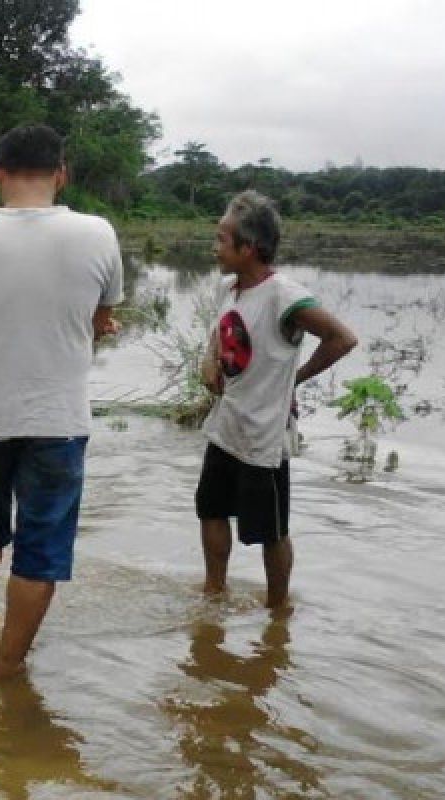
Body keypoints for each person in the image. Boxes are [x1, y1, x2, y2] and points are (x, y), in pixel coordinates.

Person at [0, 124, 123, 679]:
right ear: (61, 174)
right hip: (58, 421)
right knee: (40, 550)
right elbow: (100, 316)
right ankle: (7, 669)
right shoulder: (98, 234)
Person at [196, 190, 357, 608]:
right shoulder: (227, 289)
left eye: (221, 240)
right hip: (226, 424)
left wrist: (295, 381)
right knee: (210, 511)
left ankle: (277, 612)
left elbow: (342, 339)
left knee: (271, 530)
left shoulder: (284, 296)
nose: (215, 248)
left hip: (264, 438)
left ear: (249, 248)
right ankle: (214, 592)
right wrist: (211, 361)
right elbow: (220, 334)